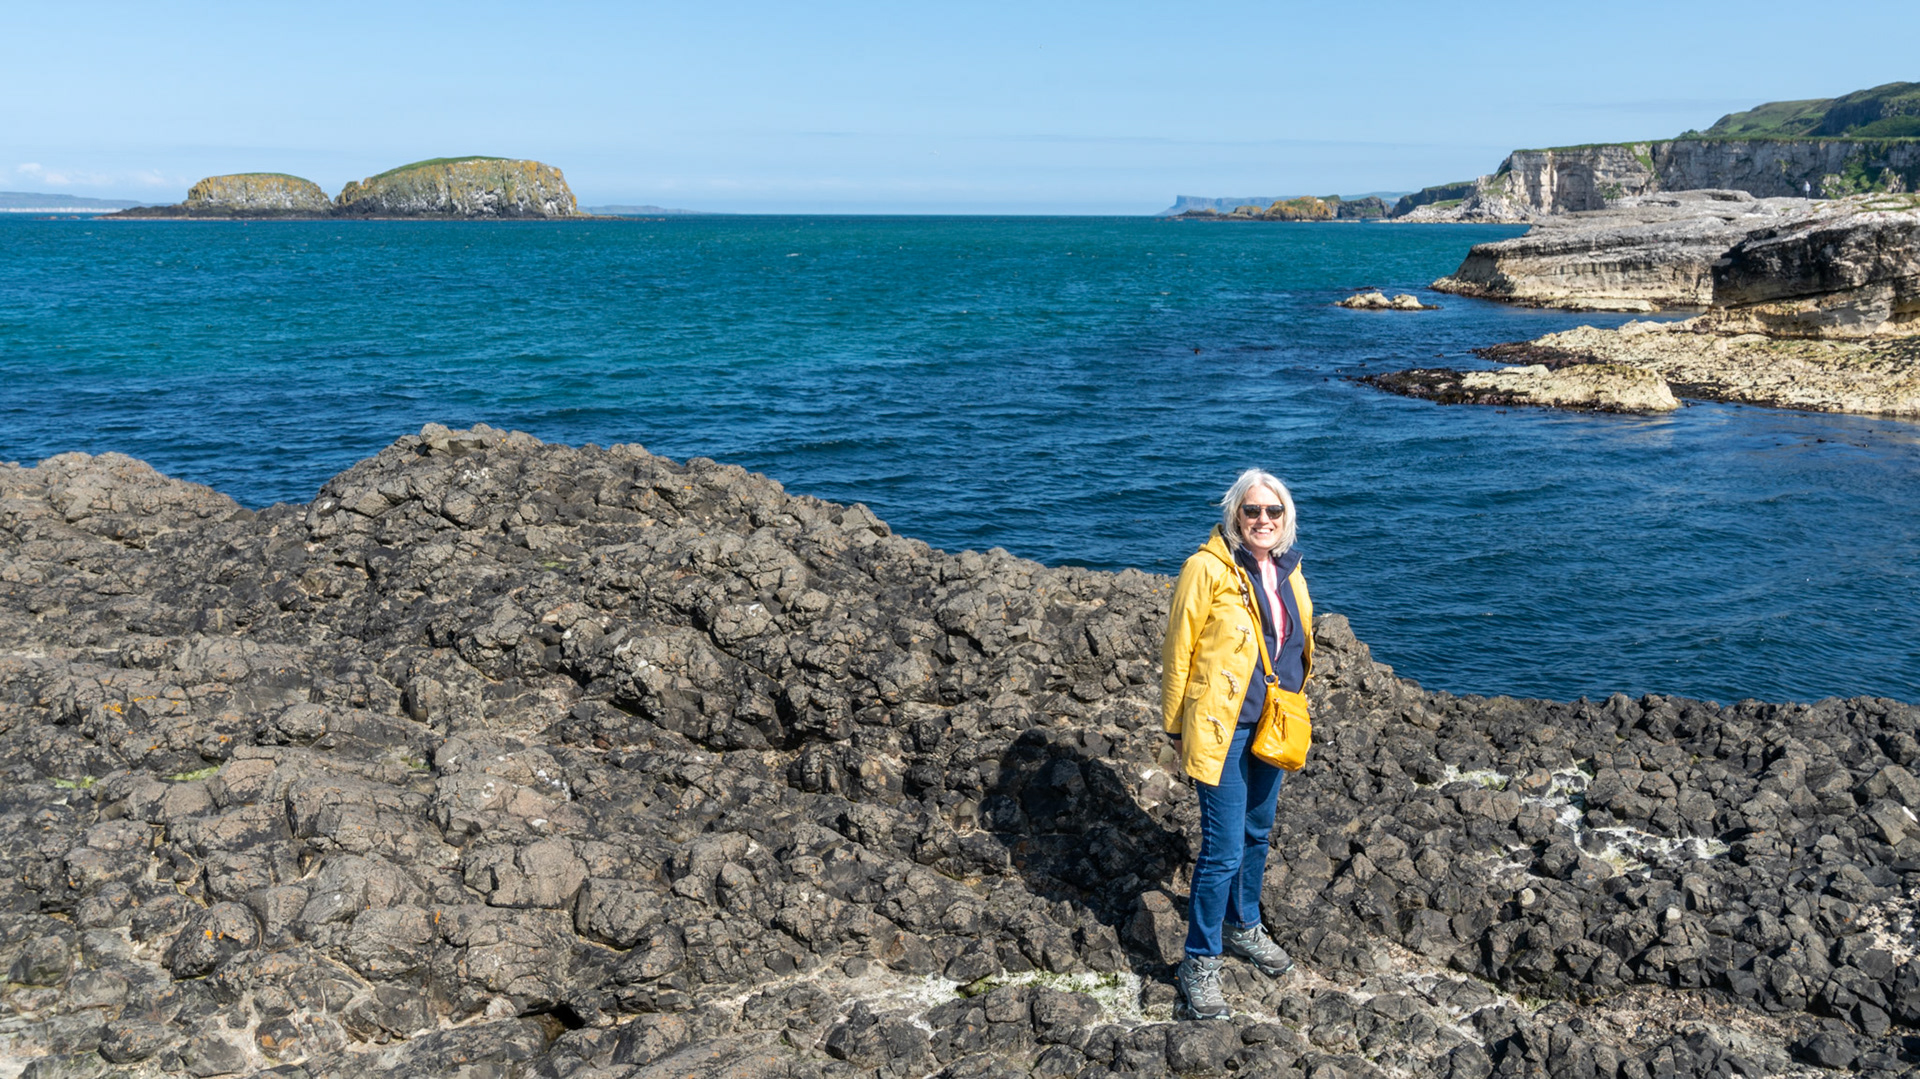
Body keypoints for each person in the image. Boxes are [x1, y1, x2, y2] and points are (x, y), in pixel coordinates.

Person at [1160, 468, 1314, 1020]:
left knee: (1257, 832)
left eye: (1273, 512)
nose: (1263, 521)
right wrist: (1176, 731)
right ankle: (1199, 961)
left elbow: (1295, 644)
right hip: (1221, 730)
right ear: (1235, 515)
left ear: (1285, 519)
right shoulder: (1205, 569)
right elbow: (1179, 652)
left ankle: (1244, 925)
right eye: (1252, 511)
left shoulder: (1289, 570)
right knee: (1221, 851)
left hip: (1272, 723)